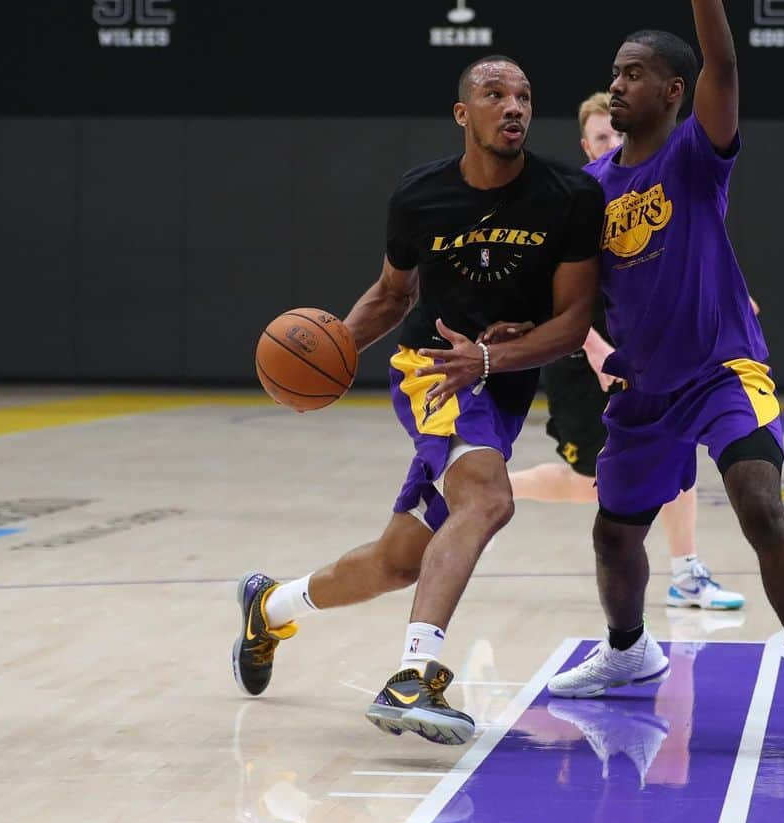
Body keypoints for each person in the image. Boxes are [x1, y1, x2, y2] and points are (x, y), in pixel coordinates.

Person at [544, 0, 784, 750]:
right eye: (615, 70)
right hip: (646, 389)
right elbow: (579, 303)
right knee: (615, 538)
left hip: (724, 369)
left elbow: (723, 55)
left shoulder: (695, 153)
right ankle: (628, 651)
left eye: (635, 72)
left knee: (760, 503)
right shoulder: (591, 188)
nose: (619, 82)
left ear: (674, 91)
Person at [231, 55, 605, 745]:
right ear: (464, 114)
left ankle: (271, 605)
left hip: (501, 378)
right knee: (489, 500)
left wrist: (497, 354)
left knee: (400, 561)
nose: (514, 106)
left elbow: (573, 323)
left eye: (523, 95)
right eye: (495, 95)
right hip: (432, 369)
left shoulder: (569, 195)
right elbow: (390, 295)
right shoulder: (420, 195)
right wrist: (328, 355)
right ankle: (414, 675)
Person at [509, 91, 745, 611]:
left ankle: (686, 573)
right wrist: (593, 347)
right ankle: (493, 488)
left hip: (642, 359)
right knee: (594, 484)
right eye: (600, 137)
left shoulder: (645, 191)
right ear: (585, 144)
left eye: (615, 134)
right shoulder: (575, 202)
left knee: (675, 454)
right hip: (581, 359)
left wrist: (728, 296)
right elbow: (544, 297)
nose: (611, 142)